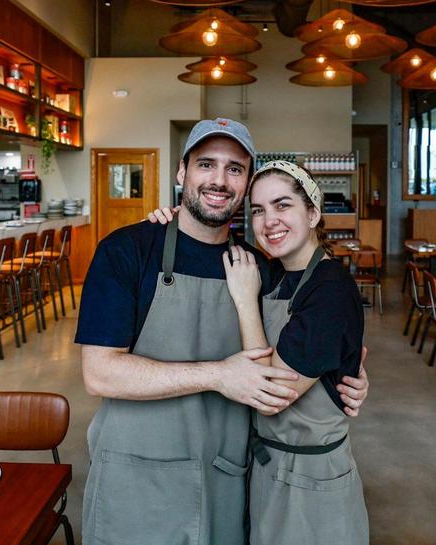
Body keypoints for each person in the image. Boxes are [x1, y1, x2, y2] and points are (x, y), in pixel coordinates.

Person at [76, 118, 369, 545]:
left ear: (246, 181)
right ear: (182, 172)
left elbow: (299, 352)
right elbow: (99, 373)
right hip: (135, 478)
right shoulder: (128, 250)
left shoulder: (260, 267)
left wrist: (343, 375)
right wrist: (217, 374)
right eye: (206, 164)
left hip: (226, 479)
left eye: (234, 168)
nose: (219, 180)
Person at [223, 160, 368, 545]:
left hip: (311, 478)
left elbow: (272, 394)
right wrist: (169, 218)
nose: (269, 220)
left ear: (314, 212)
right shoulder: (275, 274)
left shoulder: (331, 290)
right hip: (268, 465)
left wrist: (244, 301)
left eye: (282, 205)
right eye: (258, 210)